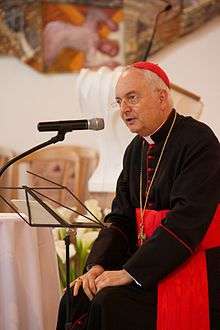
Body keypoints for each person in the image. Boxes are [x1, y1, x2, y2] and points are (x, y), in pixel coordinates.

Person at [57, 61, 220, 330]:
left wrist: (130, 273)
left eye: (132, 98)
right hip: (148, 264)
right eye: (119, 101)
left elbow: (186, 222)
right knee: (74, 298)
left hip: (188, 265)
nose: (123, 109)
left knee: (108, 302)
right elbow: (120, 218)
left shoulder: (199, 142)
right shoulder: (135, 149)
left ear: (162, 97)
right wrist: (97, 266)